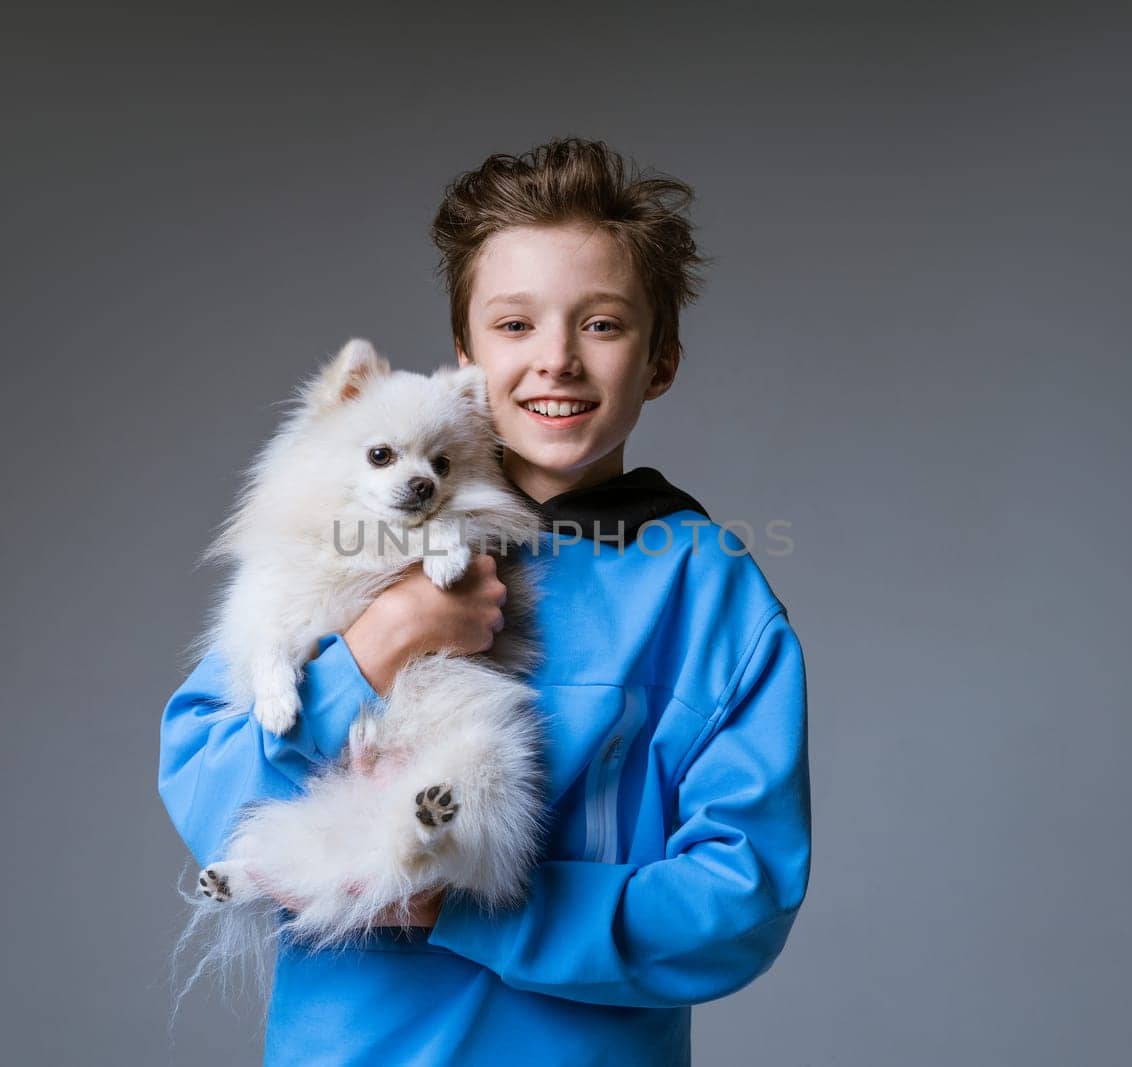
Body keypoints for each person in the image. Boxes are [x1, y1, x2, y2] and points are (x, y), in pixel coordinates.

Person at [159, 137, 811, 1066]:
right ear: (465, 353)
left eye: (602, 324)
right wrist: (378, 644)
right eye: (515, 326)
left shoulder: (707, 590)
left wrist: (474, 906)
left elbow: (742, 897)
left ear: (660, 360)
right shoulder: (352, 528)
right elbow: (207, 783)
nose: (557, 361)